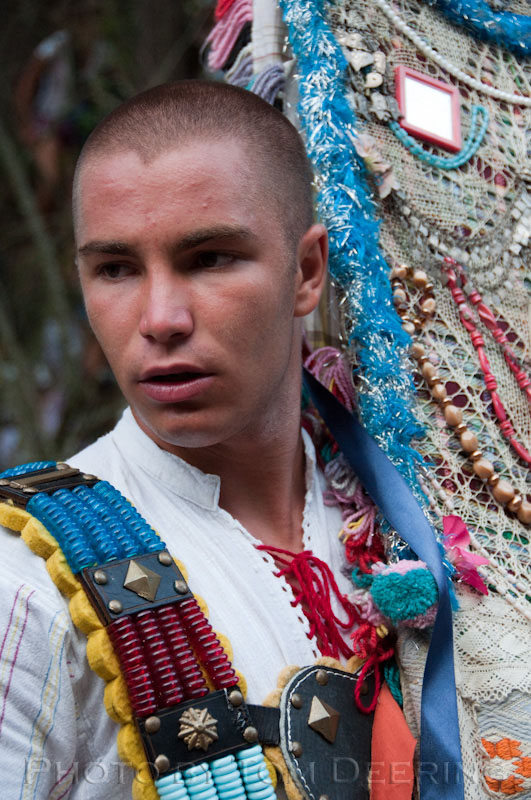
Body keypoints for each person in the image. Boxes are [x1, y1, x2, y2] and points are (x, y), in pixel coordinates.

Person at [0, 81, 421, 800]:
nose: (160, 319)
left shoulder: (414, 512)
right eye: (115, 269)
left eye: (210, 258)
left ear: (305, 272)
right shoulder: (25, 585)